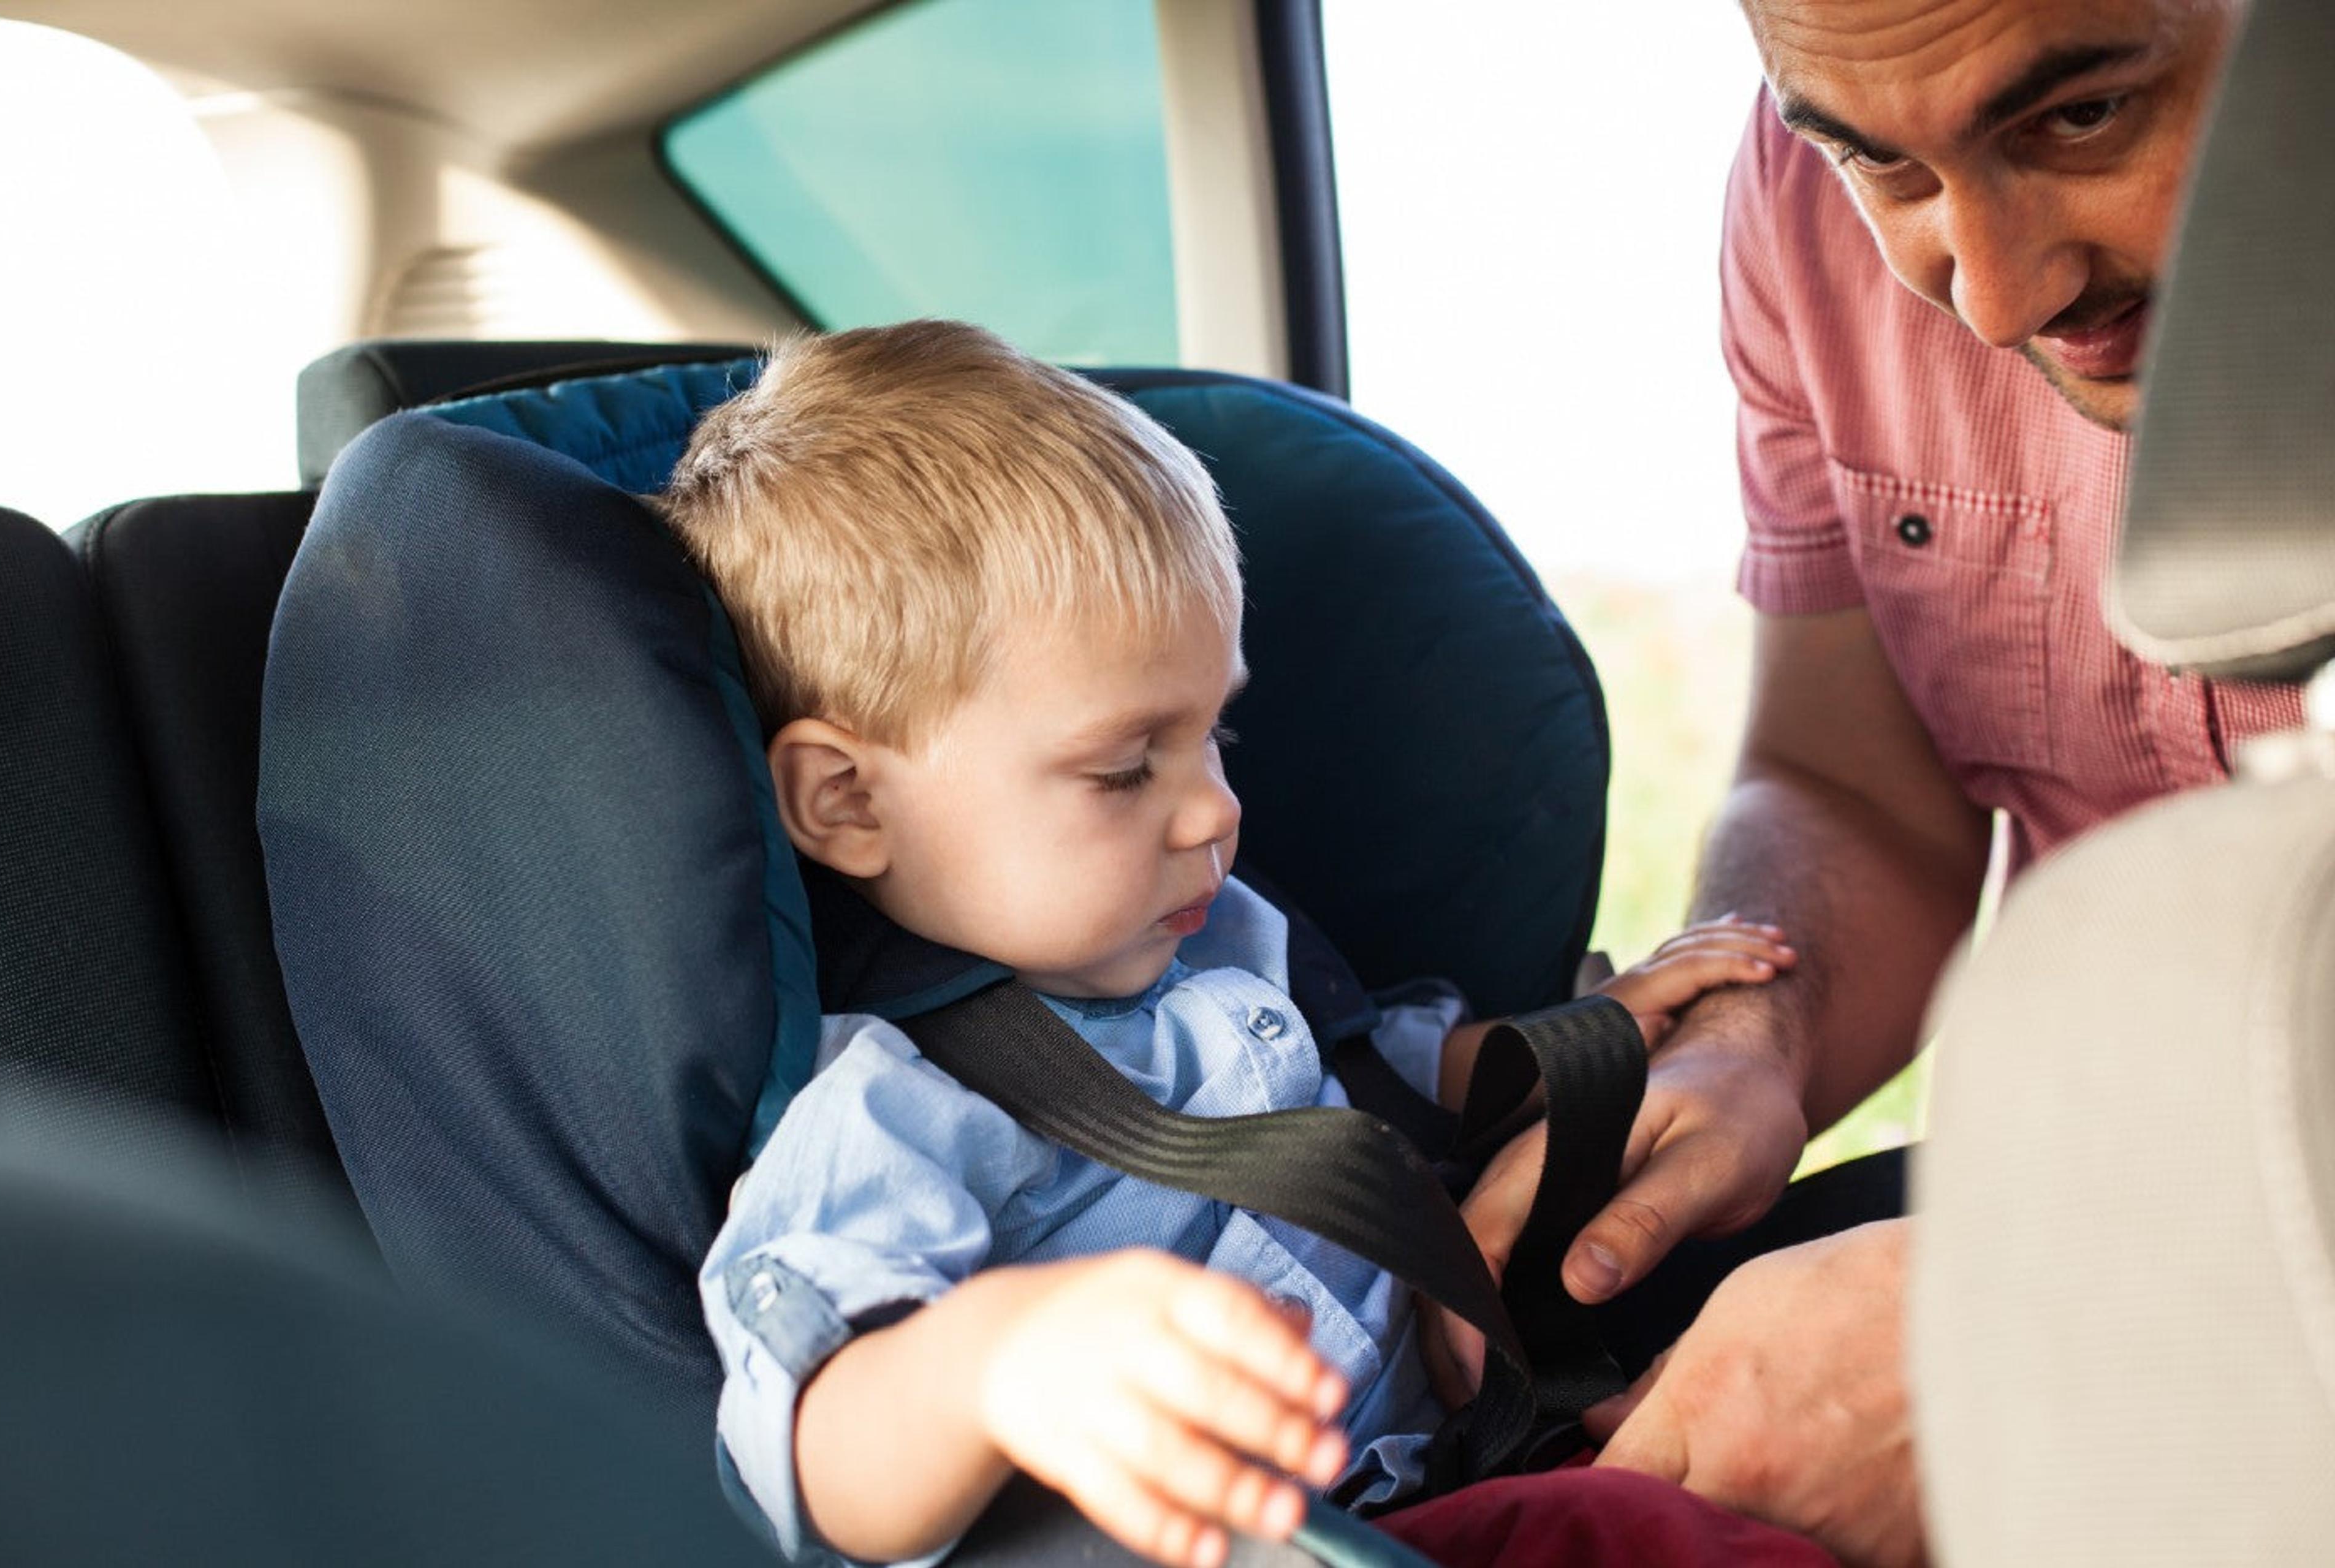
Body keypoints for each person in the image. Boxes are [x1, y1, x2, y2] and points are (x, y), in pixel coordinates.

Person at [665, 320, 1799, 1568]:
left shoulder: (1227, 938)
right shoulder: (897, 1104)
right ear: (849, 801)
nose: (1214, 806)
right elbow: (811, 1448)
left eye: (1216, 737)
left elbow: (1385, 1070)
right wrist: (995, 1358)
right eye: (1125, 765)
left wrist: (1589, 1037)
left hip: (1475, 1455)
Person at [1557, 3, 2305, 1563]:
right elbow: (1852, 781)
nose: (1997, 288)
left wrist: (2065, 1323)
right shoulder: (1793, 205)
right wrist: (1760, 1025)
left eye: (2083, 117)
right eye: (1882, 165)